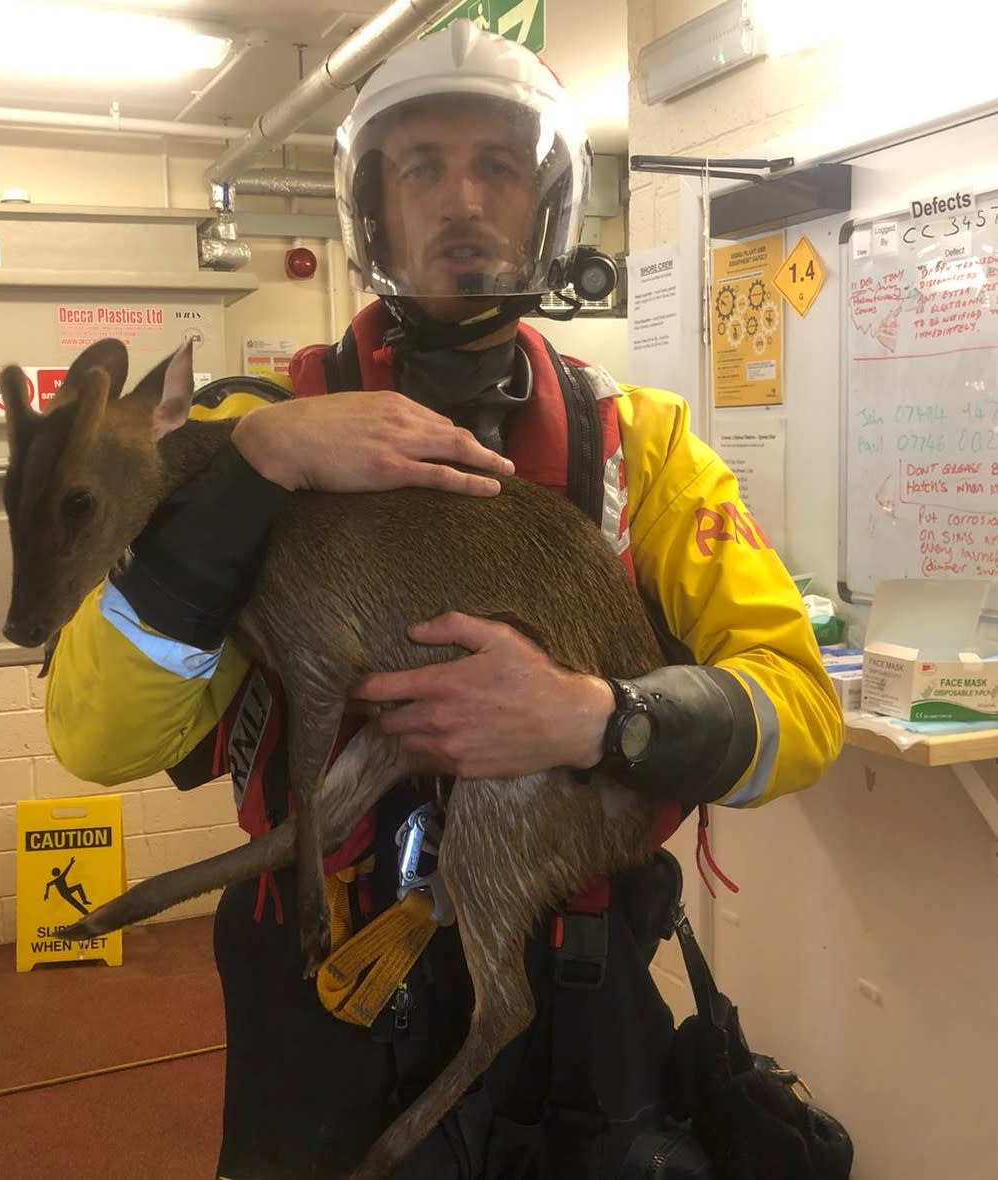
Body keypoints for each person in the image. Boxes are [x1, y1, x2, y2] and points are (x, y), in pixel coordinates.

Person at [44, 20, 843, 1180]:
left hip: (568, 981)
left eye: (496, 166)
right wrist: (259, 464)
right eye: (421, 166)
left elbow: (797, 712)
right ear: (374, 207)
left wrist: (596, 716)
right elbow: (93, 735)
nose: (460, 199)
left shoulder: (644, 450)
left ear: (543, 204)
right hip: (317, 986)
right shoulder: (257, 430)